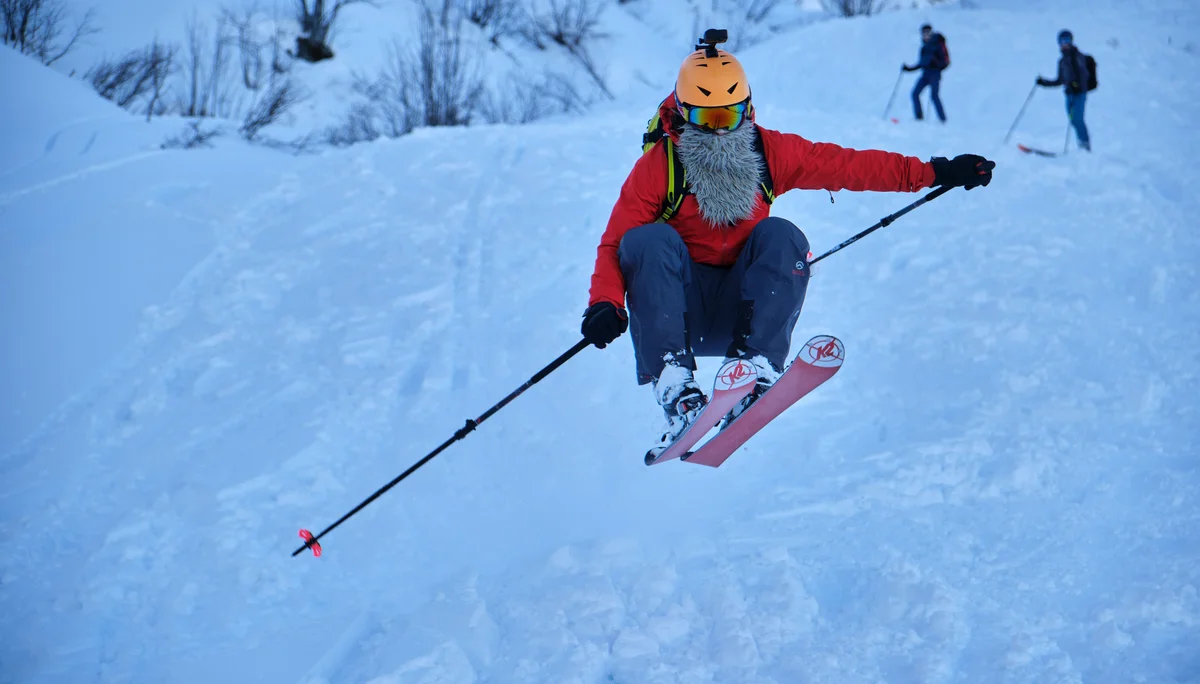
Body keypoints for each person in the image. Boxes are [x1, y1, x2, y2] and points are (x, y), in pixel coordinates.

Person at [580, 33, 995, 450]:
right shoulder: (659, 167)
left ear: (749, 108)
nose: (722, 131)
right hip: (676, 316)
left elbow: (850, 166)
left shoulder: (770, 153)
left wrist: (934, 173)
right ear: (684, 115)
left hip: (742, 311)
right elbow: (615, 245)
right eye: (709, 120)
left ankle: (754, 368)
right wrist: (605, 303)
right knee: (648, 240)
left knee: (782, 234)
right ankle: (676, 388)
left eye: (732, 115)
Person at [1036, 29, 1092, 151]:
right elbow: (1060, 80)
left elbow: (1084, 75)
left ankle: (1085, 146)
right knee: (1073, 120)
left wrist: (1077, 85)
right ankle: (1081, 145)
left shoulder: (1078, 56)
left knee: (1078, 119)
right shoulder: (1062, 61)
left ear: (1071, 42)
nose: (1064, 44)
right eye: (1061, 41)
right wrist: (1044, 83)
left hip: (1079, 94)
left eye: (1066, 41)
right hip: (1069, 94)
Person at [903, 24, 950, 122]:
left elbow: (946, 62)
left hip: (935, 75)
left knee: (934, 96)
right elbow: (921, 64)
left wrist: (936, 63)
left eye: (928, 33)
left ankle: (943, 120)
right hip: (925, 75)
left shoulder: (938, 44)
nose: (926, 35)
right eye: (924, 33)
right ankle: (919, 118)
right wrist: (908, 69)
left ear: (931, 33)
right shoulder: (924, 48)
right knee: (915, 94)